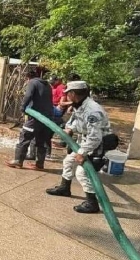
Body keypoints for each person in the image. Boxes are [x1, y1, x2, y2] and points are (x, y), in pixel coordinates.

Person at [46, 81, 114, 214]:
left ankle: (92, 203)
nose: (67, 97)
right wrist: (69, 129)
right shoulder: (79, 105)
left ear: (73, 94)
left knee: (82, 172)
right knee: (68, 161)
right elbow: (75, 122)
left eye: (68, 94)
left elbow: (95, 137)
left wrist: (82, 153)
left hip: (97, 146)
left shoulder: (92, 111)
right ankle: (64, 188)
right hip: (85, 142)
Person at [6, 70, 53, 170]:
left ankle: (18, 161)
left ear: (28, 77)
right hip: (47, 118)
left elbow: (28, 95)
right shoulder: (47, 85)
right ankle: (39, 164)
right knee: (41, 141)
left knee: (24, 137)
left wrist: (22, 108)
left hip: (35, 117)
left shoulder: (32, 82)